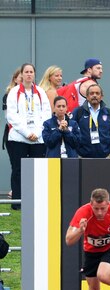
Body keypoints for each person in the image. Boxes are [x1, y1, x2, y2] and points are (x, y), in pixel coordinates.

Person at [5, 63, 48, 206]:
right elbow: (11, 116)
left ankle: (35, 202)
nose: (29, 74)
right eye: (26, 72)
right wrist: (27, 132)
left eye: (31, 72)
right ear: (22, 74)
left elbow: (46, 114)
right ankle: (17, 202)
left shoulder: (41, 92)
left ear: (34, 74)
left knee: (37, 170)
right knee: (18, 170)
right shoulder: (14, 92)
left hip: (38, 139)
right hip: (18, 138)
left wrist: (37, 132)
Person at [73, 83, 110, 159]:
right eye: (91, 93)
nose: (94, 95)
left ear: (101, 97)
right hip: (83, 157)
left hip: (105, 158)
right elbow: (72, 134)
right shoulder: (78, 112)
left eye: (97, 93)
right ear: (87, 97)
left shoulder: (109, 113)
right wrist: (76, 154)